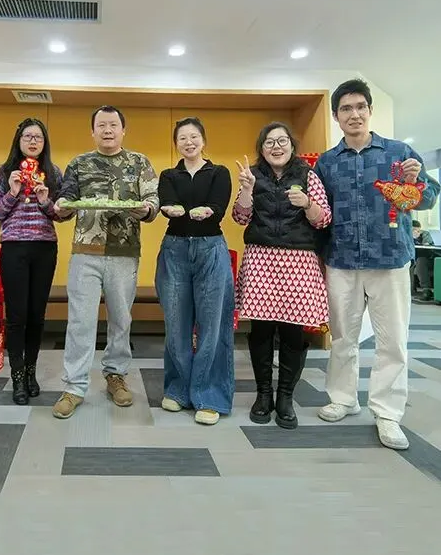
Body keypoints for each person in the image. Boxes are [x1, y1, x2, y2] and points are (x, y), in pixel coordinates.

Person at [314, 79, 440, 450]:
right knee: (343, 337)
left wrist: (416, 183)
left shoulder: (399, 152)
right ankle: (343, 398)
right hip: (342, 260)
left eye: (360, 107)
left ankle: (387, 413)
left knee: (392, 341)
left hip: (390, 258)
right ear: (336, 116)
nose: (354, 114)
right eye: (346, 109)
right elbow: (321, 213)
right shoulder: (326, 162)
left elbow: (429, 197)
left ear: (370, 110)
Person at [51, 105, 159, 419]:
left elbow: (153, 199)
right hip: (85, 252)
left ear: (123, 130)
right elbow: (67, 198)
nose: (107, 130)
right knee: (80, 321)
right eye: (101, 125)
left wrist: (146, 210)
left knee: (121, 319)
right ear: (93, 131)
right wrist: (61, 206)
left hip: (125, 252)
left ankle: (116, 375)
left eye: (113, 125)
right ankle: (74, 386)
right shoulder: (79, 163)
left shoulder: (139, 162)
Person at [233, 122, 331, 429]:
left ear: (292, 145)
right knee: (261, 331)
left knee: (293, 332)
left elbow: (323, 219)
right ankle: (263, 395)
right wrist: (246, 189)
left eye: (282, 141)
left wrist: (308, 203)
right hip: (261, 258)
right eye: (269, 142)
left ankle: (286, 396)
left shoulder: (308, 175)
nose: (276, 147)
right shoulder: (253, 175)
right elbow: (240, 217)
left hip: (298, 260)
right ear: (261, 148)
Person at [156, 117, 234, 426]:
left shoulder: (219, 172)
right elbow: (167, 202)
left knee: (212, 324)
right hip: (174, 249)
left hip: (210, 248)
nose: (188, 142)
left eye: (194, 137)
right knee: (176, 323)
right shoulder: (168, 175)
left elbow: (218, 205)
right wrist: (170, 208)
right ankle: (178, 390)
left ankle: (209, 395)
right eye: (182, 138)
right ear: (176, 144)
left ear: (203, 140)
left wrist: (209, 211)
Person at [0, 118, 63, 404]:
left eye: (38, 137)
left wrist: (44, 199)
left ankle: (31, 372)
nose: (33, 141)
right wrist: (12, 192)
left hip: (45, 248)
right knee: (17, 316)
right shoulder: (3, 173)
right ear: (18, 141)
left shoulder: (53, 173)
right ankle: (17, 376)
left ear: (44, 143)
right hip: (14, 247)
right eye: (27, 136)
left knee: (36, 315)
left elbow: (61, 214)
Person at [411, 220, 435, 302]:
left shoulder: (425, 234)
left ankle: (426, 290)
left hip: (428, 259)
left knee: (420, 261)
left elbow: (426, 246)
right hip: (413, 260)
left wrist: (417, 238)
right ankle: (409, 290)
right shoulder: (406, 236)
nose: (415, 232)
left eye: (417, 230)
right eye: (413, 230)